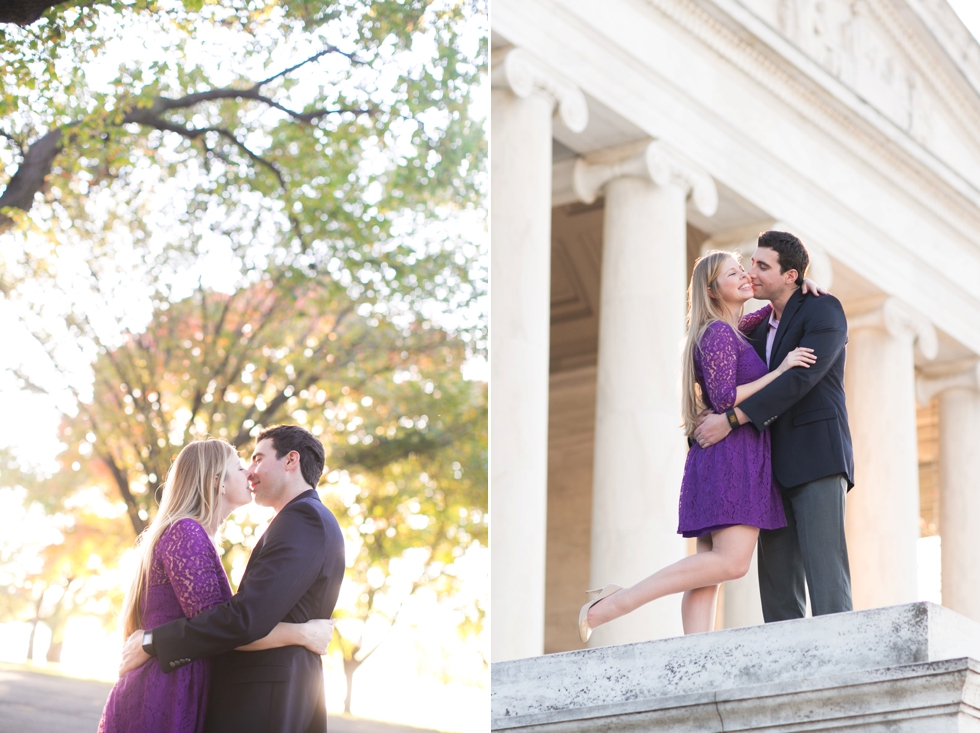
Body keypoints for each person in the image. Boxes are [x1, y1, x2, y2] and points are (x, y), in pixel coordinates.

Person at [579, 251, 818, 641]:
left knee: (706, 574)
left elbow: (771, 314)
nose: (744, 276)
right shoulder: (719, 333)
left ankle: (696, 650)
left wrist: (798, 288)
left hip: (719, 457)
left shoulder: (731, 328)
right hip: (732, 456)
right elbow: (724, 399)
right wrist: (780, 370)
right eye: (733, 274)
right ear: (711, 289)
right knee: (731, 562)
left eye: (745, 270)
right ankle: (615, 603)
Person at [118, 425, 346, 733]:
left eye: (256, 458)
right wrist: (302, 633)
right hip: (192, 689)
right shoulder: (296, 520)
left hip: (268, 698)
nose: (251, 471)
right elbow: (239, 620)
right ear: (216, 482)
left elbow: (243, 620)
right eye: (243, 465)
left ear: (291, 461)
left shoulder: (302, 519)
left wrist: (152, 641)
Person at [693, 230, 854, 622]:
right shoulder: (752, 326)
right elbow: (722, 362)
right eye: (751, 263)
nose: (752, 272)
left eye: (762, 266)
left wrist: (730, 420)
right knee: (778, 590)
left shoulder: (824, 311)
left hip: (816, 459)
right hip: (766, 468)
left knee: (826, 580)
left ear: (790, 275)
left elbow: (799, 380)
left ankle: (841, 670)